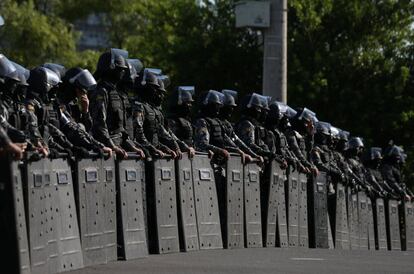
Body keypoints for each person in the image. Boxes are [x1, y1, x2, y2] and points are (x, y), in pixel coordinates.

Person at [89, 49, 144, 159]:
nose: (123, 72)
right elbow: (100, 123)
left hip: (119, 149)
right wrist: (112, 146)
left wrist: (131, 146)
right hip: (106, 151)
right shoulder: (101, 91)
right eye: (120, 70)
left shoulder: (116, 93)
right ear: (110, 69)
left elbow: (121, 129)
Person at [131, 69, 181, 159]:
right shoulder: (137, 106)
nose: (155, 91)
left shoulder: (149, 108)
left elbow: (157, 132)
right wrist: (152, 149)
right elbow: (139, 134)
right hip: (144, 155)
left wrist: (164, 147)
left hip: (152, 153)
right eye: (153, 88)